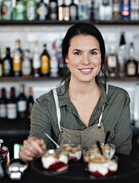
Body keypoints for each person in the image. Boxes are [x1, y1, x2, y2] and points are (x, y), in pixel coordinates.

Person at [20, 23, 132, 162]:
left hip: (106, 182)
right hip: (60, 182)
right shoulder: (45, 104)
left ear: (101, 57)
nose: (86, 61)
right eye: (77, 53)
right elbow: (38, 143)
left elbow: (124, 158)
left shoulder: (119, 99)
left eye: (93, 53)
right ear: (66, 57)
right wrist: (32, 149)